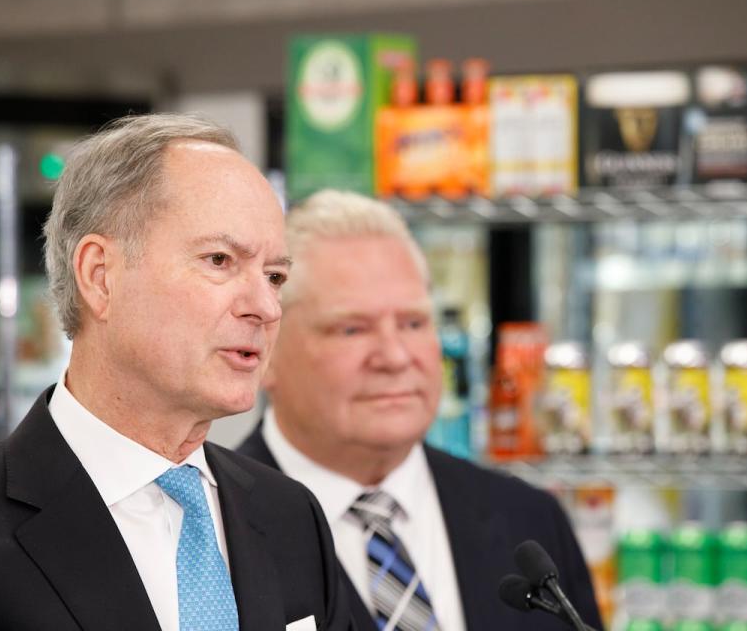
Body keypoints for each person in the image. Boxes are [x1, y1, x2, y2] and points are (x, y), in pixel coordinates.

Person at [0, 114, 351, 631]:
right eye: (219, 260)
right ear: (100, 277)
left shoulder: (291, 517)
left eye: (274, 276)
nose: (266, 306)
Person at [237, 189, 603, 631]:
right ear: (267, 349)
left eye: (413, 323)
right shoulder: (215, 529)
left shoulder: (528, 520)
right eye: (352, 329)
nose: (394, 356)